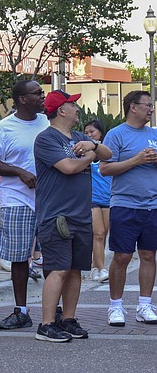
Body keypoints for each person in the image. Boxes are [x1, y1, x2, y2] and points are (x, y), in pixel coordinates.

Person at [33, 90, 112, 342]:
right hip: (57, 216)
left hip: (81, 214)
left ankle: (68, 319)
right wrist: (90, 156)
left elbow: (108, 155)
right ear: (61, 111)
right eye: (73, 105)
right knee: (58, 269)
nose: (78, 109)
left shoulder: (80, 137)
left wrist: (95, 145)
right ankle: (46, 325)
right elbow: (68, 167)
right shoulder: (46, 139)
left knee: (76, 270)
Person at [0, 80, 48, 330]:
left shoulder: (47, 123)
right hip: (17, 200)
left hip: (47, 199)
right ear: (22, 99)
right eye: (37, 93)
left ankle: (53, 308)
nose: (42, 96)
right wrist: (19, 172)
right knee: (20, 258)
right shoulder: (3, 128)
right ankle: (21, 311)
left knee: (52, 255)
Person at [100, 90, 157, 327]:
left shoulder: (154, 135)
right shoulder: (116, 134)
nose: (151, 109)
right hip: (124, 204)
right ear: (133, 107)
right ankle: (116, 306)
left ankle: (145, 304)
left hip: (152, 205)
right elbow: (104, 169)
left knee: (149, 255)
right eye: (147, 105)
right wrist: (136, 160)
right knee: (122, 256)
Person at [84, 119, 111, 283]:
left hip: (108, 197)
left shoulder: (107, 152)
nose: (89, 135)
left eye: (92, 131)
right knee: (98, 233)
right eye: (86, 132)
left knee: (104, 235)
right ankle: (101, 269)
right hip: (91, 198)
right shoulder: (84, 152)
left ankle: (94, 266)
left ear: (100, 132)